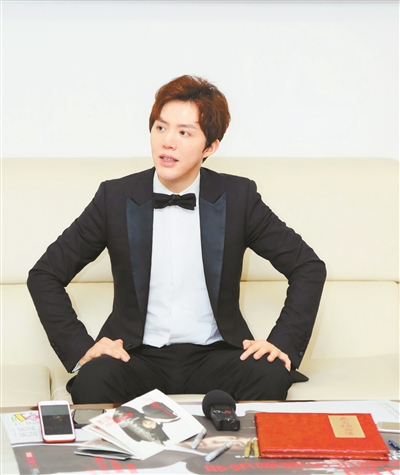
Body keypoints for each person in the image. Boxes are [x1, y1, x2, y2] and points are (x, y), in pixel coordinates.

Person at [27, 75, 326, 404]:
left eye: (184, 132)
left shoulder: (238, 197)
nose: (167, 142)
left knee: (270, 375)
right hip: (136, 357)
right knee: (92, 382)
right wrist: (82, 348)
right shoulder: (115, 197)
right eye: (160, 127)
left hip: (216, 354)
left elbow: (307, 266)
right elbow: (45, 274)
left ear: (210, 147)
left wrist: (281, 343)